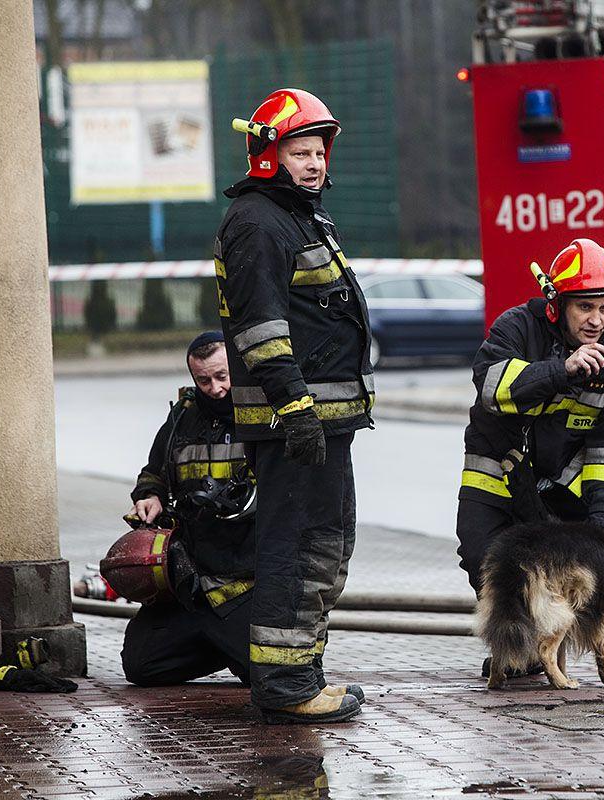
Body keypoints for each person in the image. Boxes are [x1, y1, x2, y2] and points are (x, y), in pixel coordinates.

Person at [214, 88, 374, 724]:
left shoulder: (298, 217)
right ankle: (286, 687)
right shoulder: (259, 222)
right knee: (298, 549)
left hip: (322, 423)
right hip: (298, 425)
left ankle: (301, 674)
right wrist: (297, 408)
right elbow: (261, 330)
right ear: (268, 156)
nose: (312, 164)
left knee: (324, 548)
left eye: (318, 153)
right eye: (299, 152)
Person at [456, 238, 604, 683]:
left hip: (566, 477)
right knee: (482, 552)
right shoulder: (515, 328)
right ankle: (522, 647)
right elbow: (489, 387)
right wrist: (560, 370)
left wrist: (601, 536)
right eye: (585, 307)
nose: (596, 320)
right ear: (556, 305)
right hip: (499, 471)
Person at [120, 332, 256, 687]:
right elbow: (154, 470)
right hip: (189, 576)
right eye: (204, 380)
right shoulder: (182, 418)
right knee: (141, 666)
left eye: (222, 376)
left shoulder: (259, 412)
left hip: (245, 576)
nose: (215, 389)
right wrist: (150, 494)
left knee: (269, 673)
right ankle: (224, 645)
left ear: (237, 368)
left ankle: (236, 646)